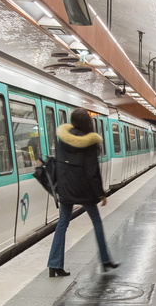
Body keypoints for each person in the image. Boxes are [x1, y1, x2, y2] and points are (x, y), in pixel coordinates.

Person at [48, 108, 119, 277]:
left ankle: (54, 264)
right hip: (84, 190)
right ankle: (105, 260)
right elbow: (91, 170)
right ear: (87, 122)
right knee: (97, 223)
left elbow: (59, 163)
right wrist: (101, 193)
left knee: (62, 224)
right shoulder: (89, 141)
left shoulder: (63, 138)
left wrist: (59, 187)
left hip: (66, 188)